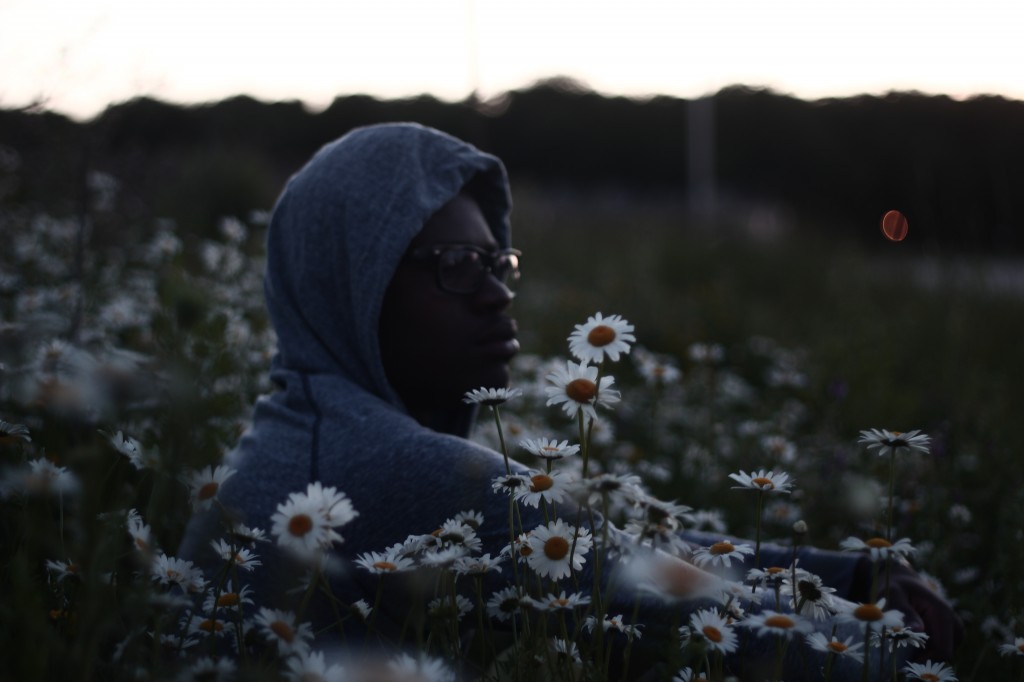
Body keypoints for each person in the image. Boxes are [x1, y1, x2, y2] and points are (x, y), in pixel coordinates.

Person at [180, 122, 960, 679]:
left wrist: (851, 579)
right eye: (454, 263)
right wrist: (884, 640)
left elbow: (621, 547)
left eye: (498, 261)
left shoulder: (306, 432)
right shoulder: (382, 471)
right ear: (352, 285)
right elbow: (696, 620)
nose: (494, 295)